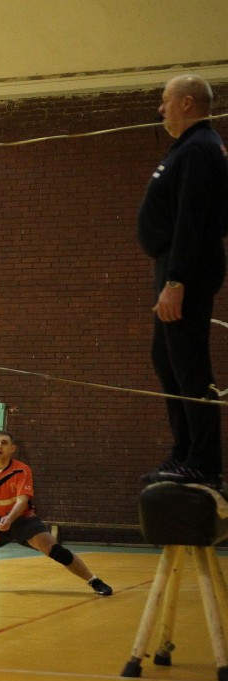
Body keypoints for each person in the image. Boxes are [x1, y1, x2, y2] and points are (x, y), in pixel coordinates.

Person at [138, 74, 228, 488]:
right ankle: (184, 452)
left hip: (185, 270)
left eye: (166, 100)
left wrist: (176, 281)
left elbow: (192, 218)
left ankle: (204, 462)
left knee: (189, 364)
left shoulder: (199, 148)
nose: (161, 109)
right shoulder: (189, 147)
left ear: (187, 103)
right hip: (175, 265)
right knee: (166, 358)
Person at [0, 431, 113, 596]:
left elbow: (22, 500)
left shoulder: (22, 470)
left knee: (56, 551)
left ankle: (94, 580)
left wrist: (10, 518)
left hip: (23, 520)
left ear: (12, 448)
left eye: (4, 443)